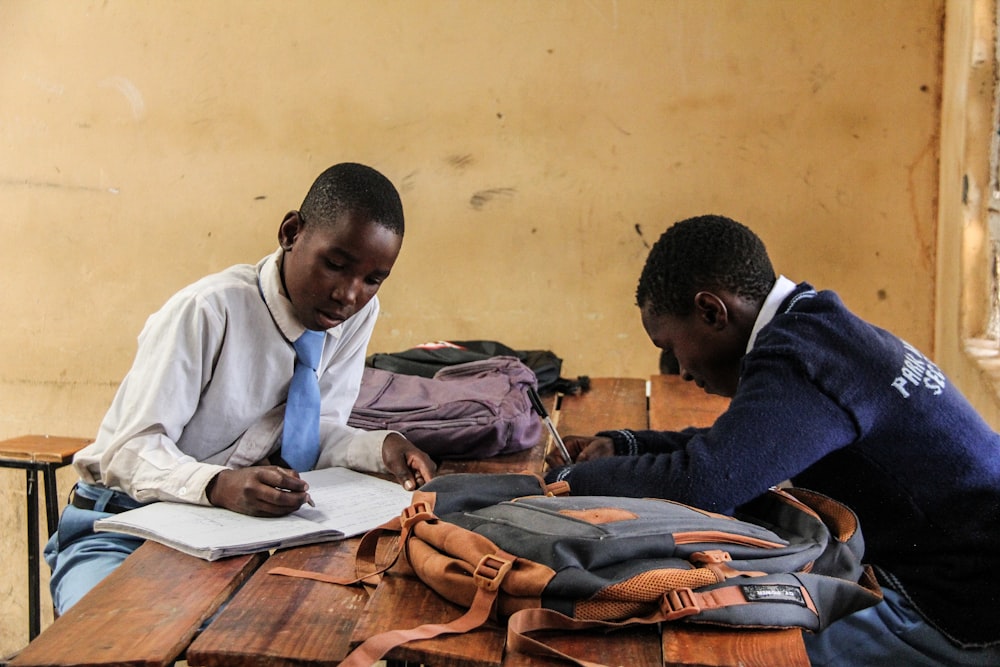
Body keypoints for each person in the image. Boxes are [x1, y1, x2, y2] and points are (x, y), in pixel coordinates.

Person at [546, 215, 1000, 665]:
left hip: (952, 606)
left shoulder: (801, 356)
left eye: (670, 346)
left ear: (711, 311)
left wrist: (566, 480)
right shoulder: (816, 327)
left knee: (714, 643)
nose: (680, 369)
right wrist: (628, 445)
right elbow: (741, 446)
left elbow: (705, 481)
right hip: (962, 572)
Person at [45, 162, 437, 614]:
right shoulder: (209, 311)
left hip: (221, 531)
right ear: (291, 232)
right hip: (120, 523)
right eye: (335, 265)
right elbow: (127, 451)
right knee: (103, 643)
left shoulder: (353, 317)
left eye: (372, 279)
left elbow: (311, 431)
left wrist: (379, 447)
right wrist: (218, 485)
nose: (348, 294)